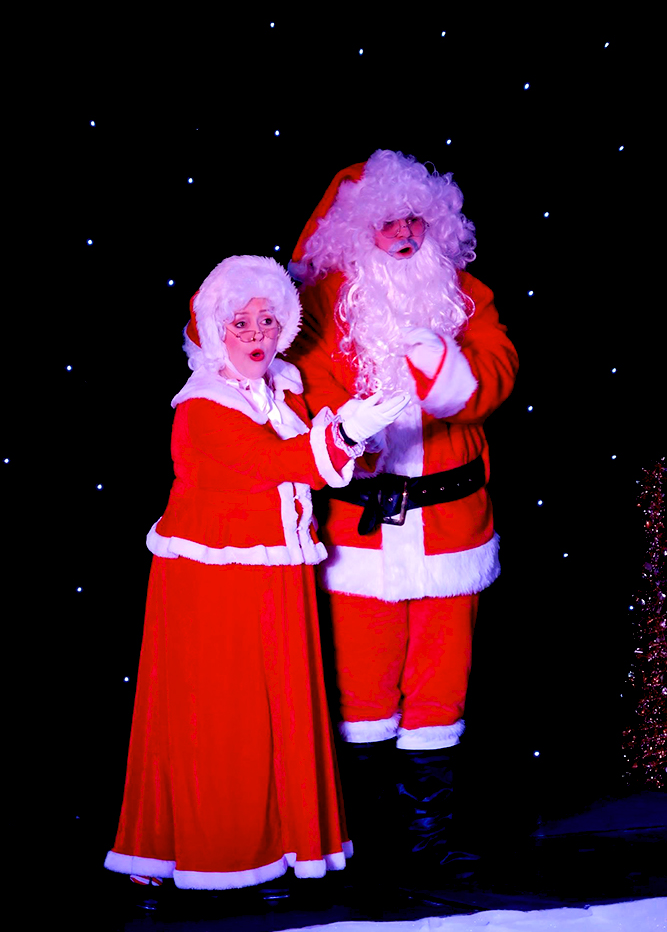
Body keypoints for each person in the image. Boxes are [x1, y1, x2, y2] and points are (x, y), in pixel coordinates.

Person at [104, 255, 408, 890]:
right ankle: (218, 856)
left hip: (277, 574)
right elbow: (273, 464)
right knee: (223, 713)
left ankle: (284, 846)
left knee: (283, 708)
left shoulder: (284, 388)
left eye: (268, 320)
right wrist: (348, 429)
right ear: (214, 330)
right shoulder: (201, 408)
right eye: (239, 322)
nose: (256, 334)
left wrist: (364, 428)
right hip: (214, 584)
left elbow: (315, 452)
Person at [287, 150, 519, 875]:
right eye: (386, 222)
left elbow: (499, 369)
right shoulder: (324, 308)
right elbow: (306, 402)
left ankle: (428, 843)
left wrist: (445, 368)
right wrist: (350, 427)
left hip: (453, 528)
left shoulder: (463, 294)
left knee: (442, 684)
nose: (404, 234)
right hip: (359, 535)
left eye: (416, 219)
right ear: (356, 233)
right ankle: (367, 842)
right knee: (361, 687)